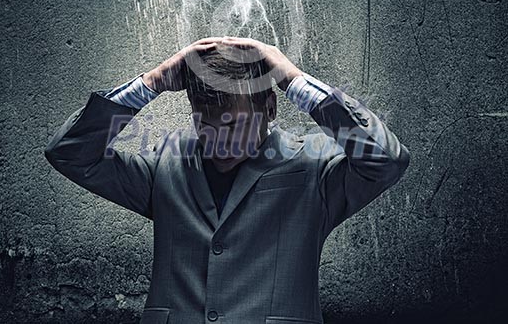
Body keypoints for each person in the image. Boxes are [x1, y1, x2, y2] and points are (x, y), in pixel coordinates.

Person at [45, 36, 410, 324]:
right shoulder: (166, 162)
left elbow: (388, 159)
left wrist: (293, 80)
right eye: (206, 122)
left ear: (270, 108)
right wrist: (152, 82)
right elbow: (69, 152)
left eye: (235, 123)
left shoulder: (313, 165)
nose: (220, 139)